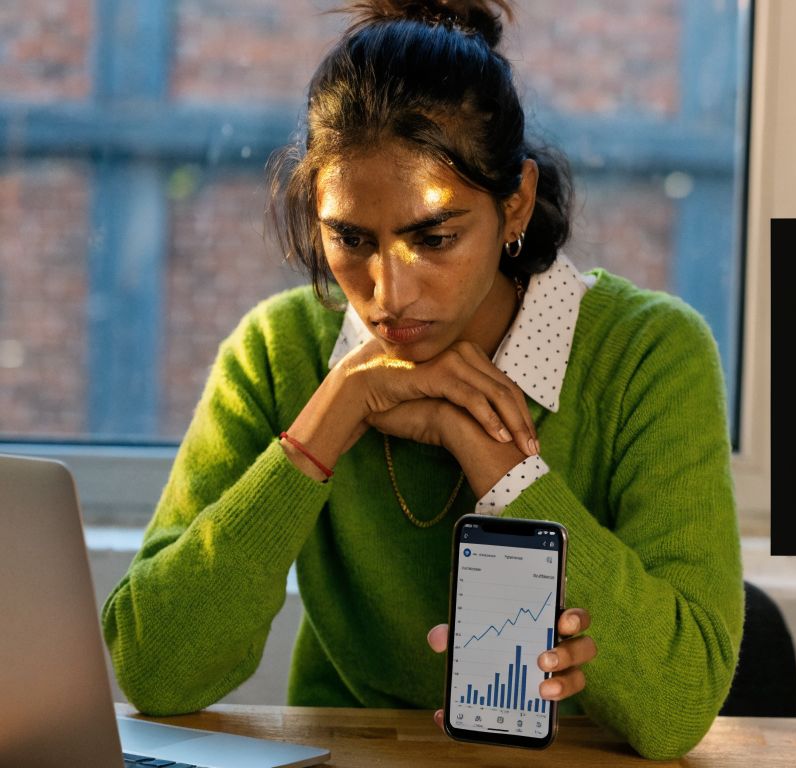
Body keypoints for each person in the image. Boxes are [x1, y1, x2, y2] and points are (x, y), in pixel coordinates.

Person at [100, 0, 743, 760]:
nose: (389, 294)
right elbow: (156, 672)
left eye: (434, 238)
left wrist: (500, 464)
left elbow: (678, 706)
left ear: (516, 203)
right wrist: (331, 416)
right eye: (350, 239)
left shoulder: (646, 353)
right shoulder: (279, 352)